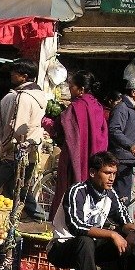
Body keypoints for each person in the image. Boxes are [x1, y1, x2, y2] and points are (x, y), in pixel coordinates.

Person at [47, 151, 135, 270]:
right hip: (62, 248)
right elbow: (76, 227)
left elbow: (125, 219)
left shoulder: (110, 194)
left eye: (114, 173)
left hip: (89, 250)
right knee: (85, 240)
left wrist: (130, 233)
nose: (112, 178)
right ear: (92, 172)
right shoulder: (77, 191)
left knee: (133, 239)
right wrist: (112, 234)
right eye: (107, 173)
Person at [0, 59, 48, 220]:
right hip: (31, 150)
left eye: (15, 72)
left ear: (24, 77)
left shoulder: (23, 97)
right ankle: (36, 217)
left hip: (16, 152)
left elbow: (16, 129)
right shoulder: (39, 95)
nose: (11, 74)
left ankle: (34, 217)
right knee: (21, 189)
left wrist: (3, 148)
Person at [50, 70, 108, 220]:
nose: (70, 90)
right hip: (95, 158)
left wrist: (48, 122)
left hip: (76, 157)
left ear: (81, 89)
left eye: (71, 87)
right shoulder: (97, 106)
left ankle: (68, 221)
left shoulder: (76, 108)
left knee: (70, 190)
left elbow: (62, 131)